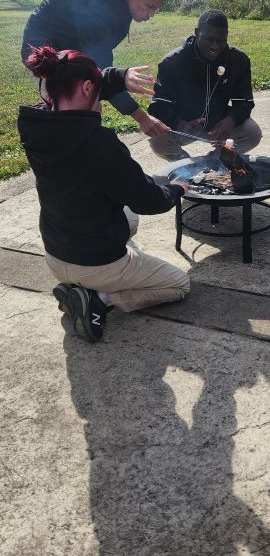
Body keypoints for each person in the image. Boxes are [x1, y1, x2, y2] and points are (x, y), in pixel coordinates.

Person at [18, 46, 190, 343]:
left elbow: (86, 82)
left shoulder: (35, 124)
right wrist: (175, 190)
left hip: (56, 253)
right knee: (179, 284)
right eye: (99, 94)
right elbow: (148, 200)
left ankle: (79, 286)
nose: (101, 101)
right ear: (87, 88)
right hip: (96, 262)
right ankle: (99, 298)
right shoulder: (98, 143)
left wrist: (117, 77)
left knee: (129, 217)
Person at [21, 0, 174, 138]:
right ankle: (53, 140)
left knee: (90, 101)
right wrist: (141, 117)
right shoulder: (101, 9)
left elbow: (101, 69)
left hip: (70, 43)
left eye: (156, 9)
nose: (152, 14)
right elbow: (101, 73)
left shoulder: (118, 0)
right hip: (41, 48)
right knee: (76, 103)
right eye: (150, 6)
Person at [148, 9, 262, 161]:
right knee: (159, 142)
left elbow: (244, 102)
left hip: (220, 126)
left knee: (252, 134)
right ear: (197, 33)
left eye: (220, 40)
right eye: (208, 39)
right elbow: (159, 105)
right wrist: (180, 124)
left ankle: (217, 159)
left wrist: (230, 121)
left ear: (227, 35)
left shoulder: (237, 60)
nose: (214, 46)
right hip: (185, 126)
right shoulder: (172, 62)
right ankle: (186, 165)